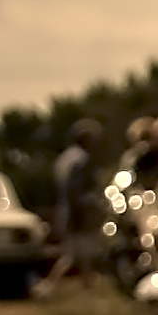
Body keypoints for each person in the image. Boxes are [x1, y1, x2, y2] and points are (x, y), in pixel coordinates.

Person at [49, 119, 102, 285]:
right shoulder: (81, 160)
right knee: (74, 253)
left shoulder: (64, 158)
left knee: (79, 253)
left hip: (64, 209)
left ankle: (88, 282)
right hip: (77, 213)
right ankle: (49, 286)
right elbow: (77, 190)